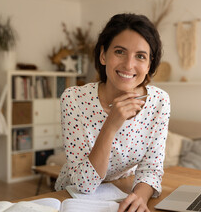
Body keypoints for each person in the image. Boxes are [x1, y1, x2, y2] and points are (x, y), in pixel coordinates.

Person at [55, 13, 170, 212]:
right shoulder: (73, 99)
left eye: (140, 56)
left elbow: (151, 168)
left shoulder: (159, 102)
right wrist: (111, 124)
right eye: (119, 52)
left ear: (149, 64)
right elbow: (84, 184)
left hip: (122, 190)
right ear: (103, 55)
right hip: (75, 197)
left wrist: (139, 198)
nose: (128, 65)